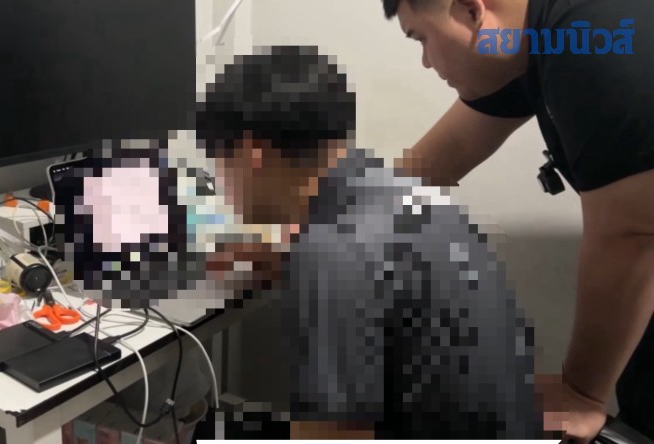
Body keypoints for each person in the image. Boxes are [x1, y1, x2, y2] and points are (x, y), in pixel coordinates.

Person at [195, 45, 544, 439]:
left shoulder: (332, 252)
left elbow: (336, 436)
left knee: (208, 432)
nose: (222, 184)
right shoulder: (395, 192)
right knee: (214, 429)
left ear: (251, 153)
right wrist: (285, 257)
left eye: (219, 165)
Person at [379, 0, 654, 441]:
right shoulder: (541, 39)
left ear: (471, 10)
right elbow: (446, 153)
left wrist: (581, 393)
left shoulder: (594, 34)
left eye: (422, 39)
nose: (426, 61)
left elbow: (632, 234)